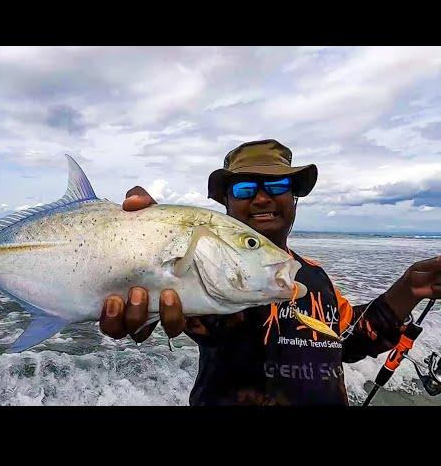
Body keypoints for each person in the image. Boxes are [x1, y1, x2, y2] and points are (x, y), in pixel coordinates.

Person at [99, 139, 441, 405]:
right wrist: (146, 244)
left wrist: (408, 290)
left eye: (277, 186)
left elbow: (349, 343)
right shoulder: (208, 279)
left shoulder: (314, 277)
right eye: (245, 189)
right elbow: (171, 293)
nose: (262, 198)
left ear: (294, 198)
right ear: (227, 206)